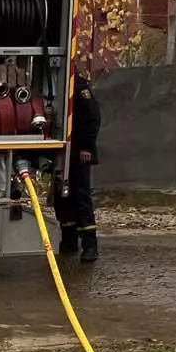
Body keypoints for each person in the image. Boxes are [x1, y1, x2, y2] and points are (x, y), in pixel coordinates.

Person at [55, 69, 100, 263]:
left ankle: (90, 245)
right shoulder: (58, 85)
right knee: (62, 196)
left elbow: (92, 116)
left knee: (81, 196)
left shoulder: (79, 85)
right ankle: (69, 240)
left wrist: (86, 147)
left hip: (79, 151)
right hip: (63, 149)